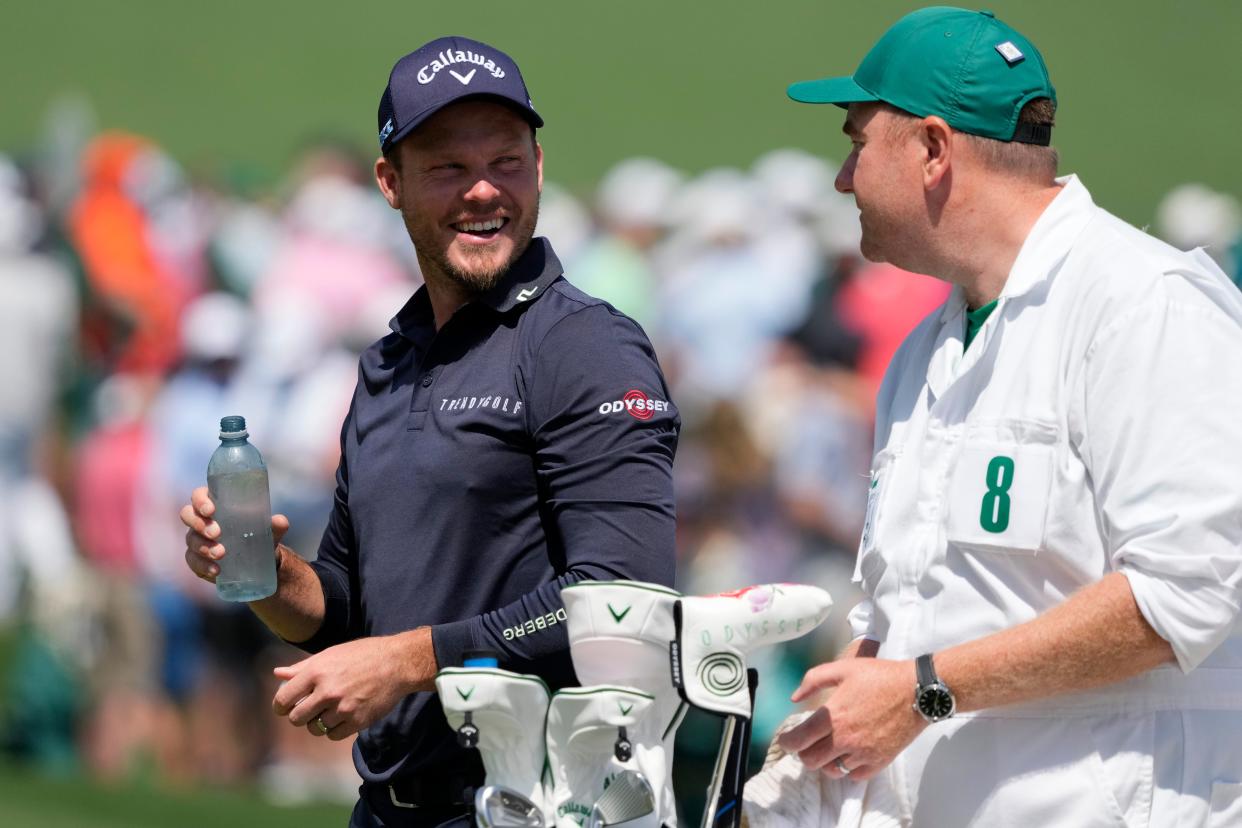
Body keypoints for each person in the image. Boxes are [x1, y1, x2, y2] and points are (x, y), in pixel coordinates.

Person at [742, 8, 1242, 827]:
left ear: (933, 149)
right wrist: (819, 748)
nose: (842, 177)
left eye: (856, 140)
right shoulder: (924, 350)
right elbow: (899, 606)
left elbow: (1182, 593)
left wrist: (924, 690)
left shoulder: (1145, 307)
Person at [180, 36, 680, 827]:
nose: (483, 191)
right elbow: (345, 611)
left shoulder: (582, 345)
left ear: (539, 167)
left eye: (506, 162)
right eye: (448, 167)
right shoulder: (388, 363)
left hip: (543, 805)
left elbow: (621, 595)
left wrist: (407, 661)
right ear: (391, 182)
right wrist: (267, 573)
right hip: (389, 807)